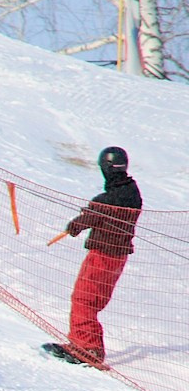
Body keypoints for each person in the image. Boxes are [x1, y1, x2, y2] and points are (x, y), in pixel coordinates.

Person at [44, 145, 143, 367]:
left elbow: (97, 211)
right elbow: (108, 206)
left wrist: (76, 225)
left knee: (84, 299)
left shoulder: (107, 200)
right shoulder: (132, 193)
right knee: (93, 300)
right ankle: (82, 344)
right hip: (118, 257)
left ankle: (87, 349)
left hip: (103, 255)